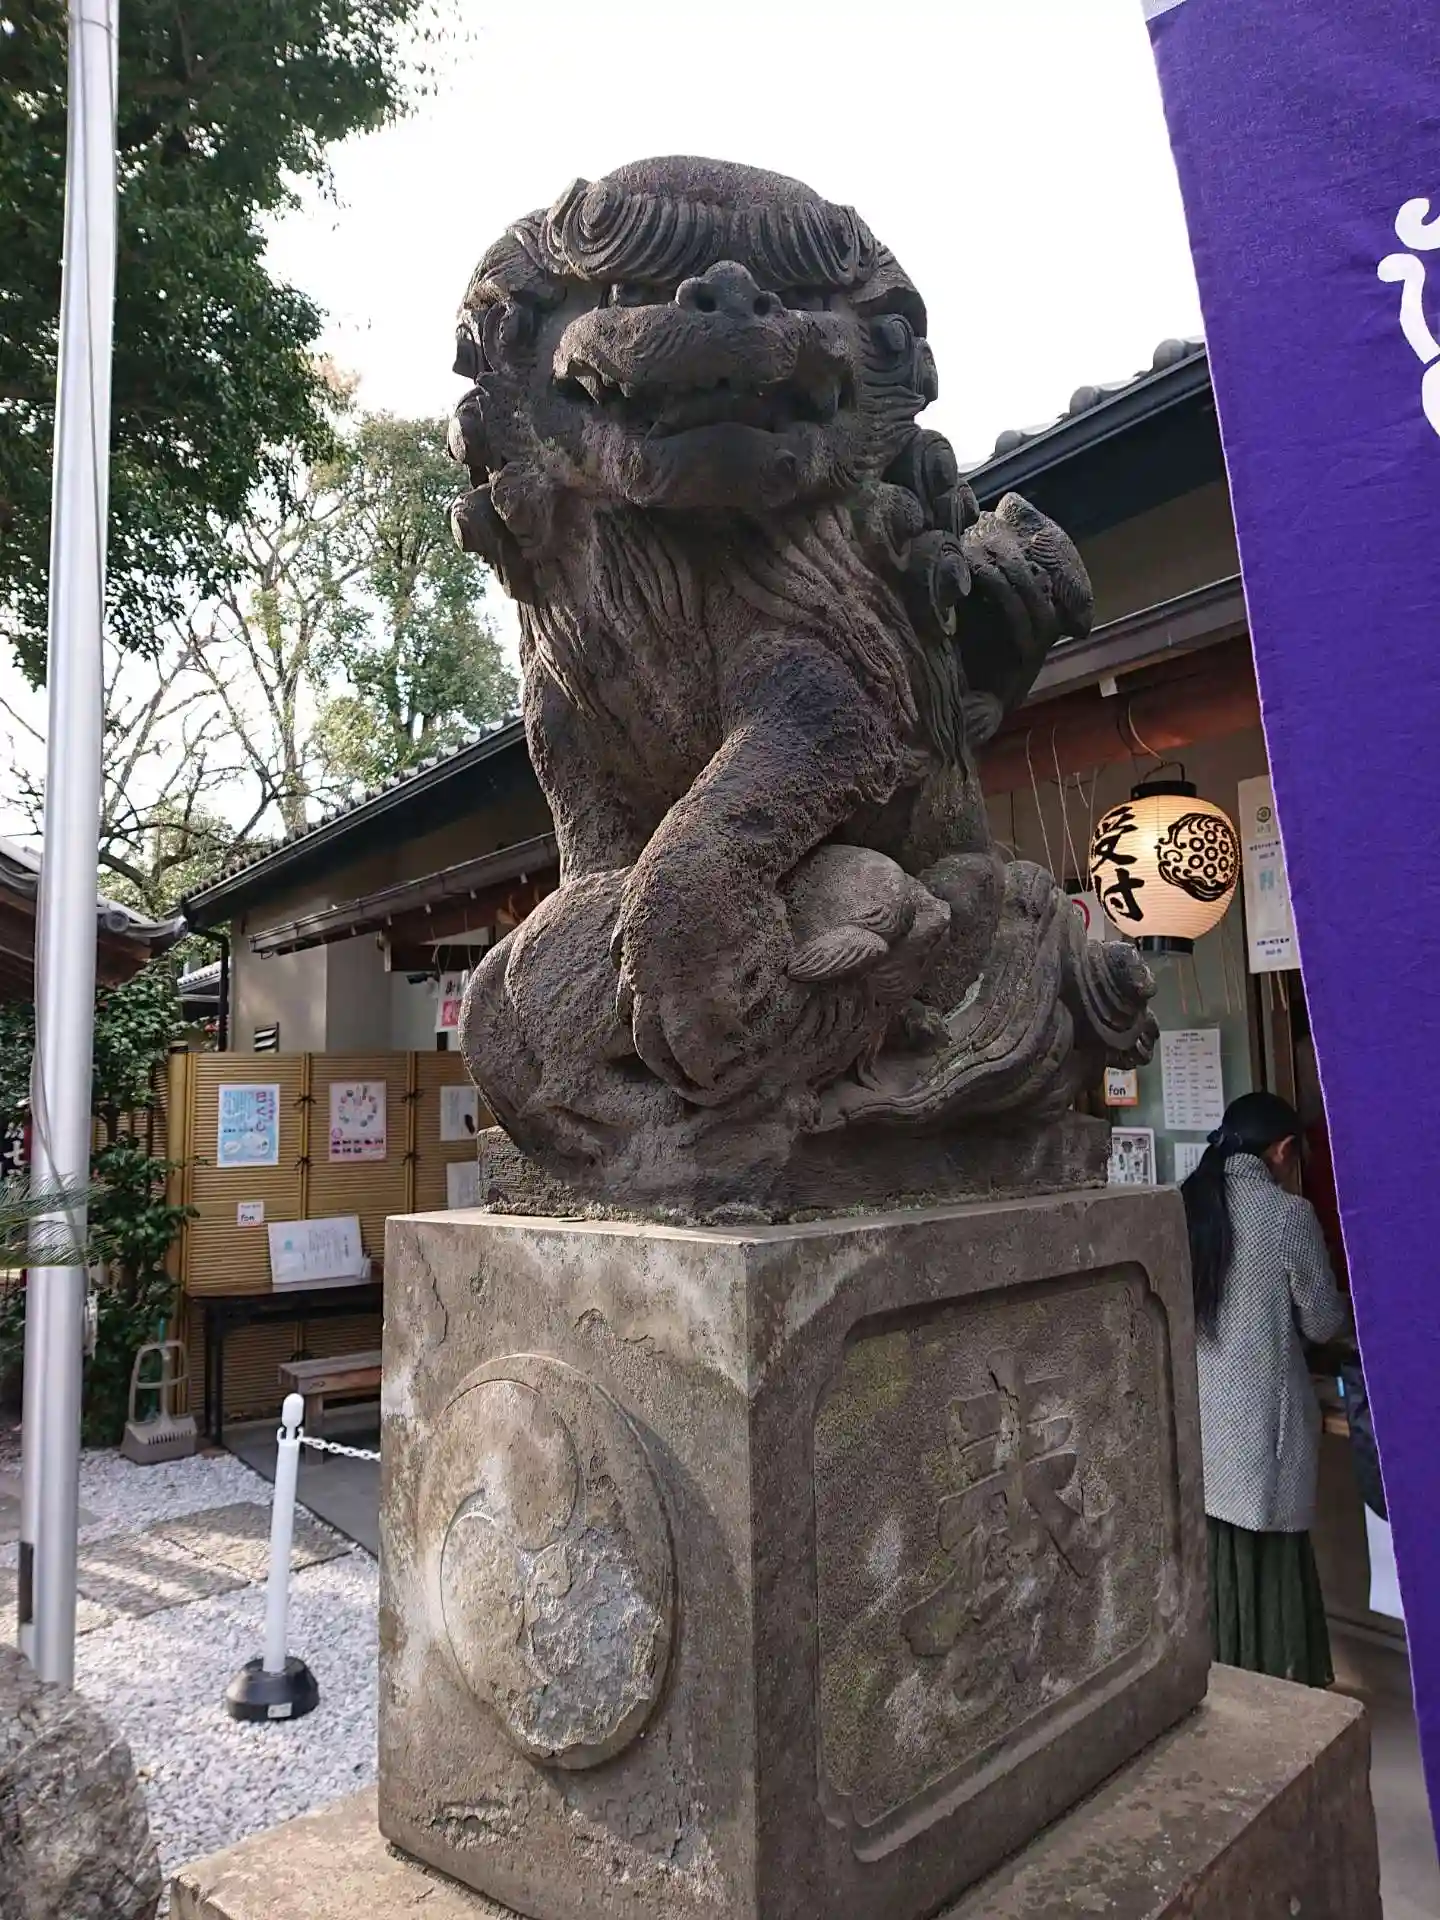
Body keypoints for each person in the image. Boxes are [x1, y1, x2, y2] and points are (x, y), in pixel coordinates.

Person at [1181, 1090, 1347, 1687]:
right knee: (1273, 1555)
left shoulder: (1190, 1202)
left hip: (1210, 1420)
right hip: (1265, 1429)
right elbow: (1323, 1322)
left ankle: (1229, 1672)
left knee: (1223, 1554)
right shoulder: (1286, 1216)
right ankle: (1282, 1679)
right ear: (1282, 1150)